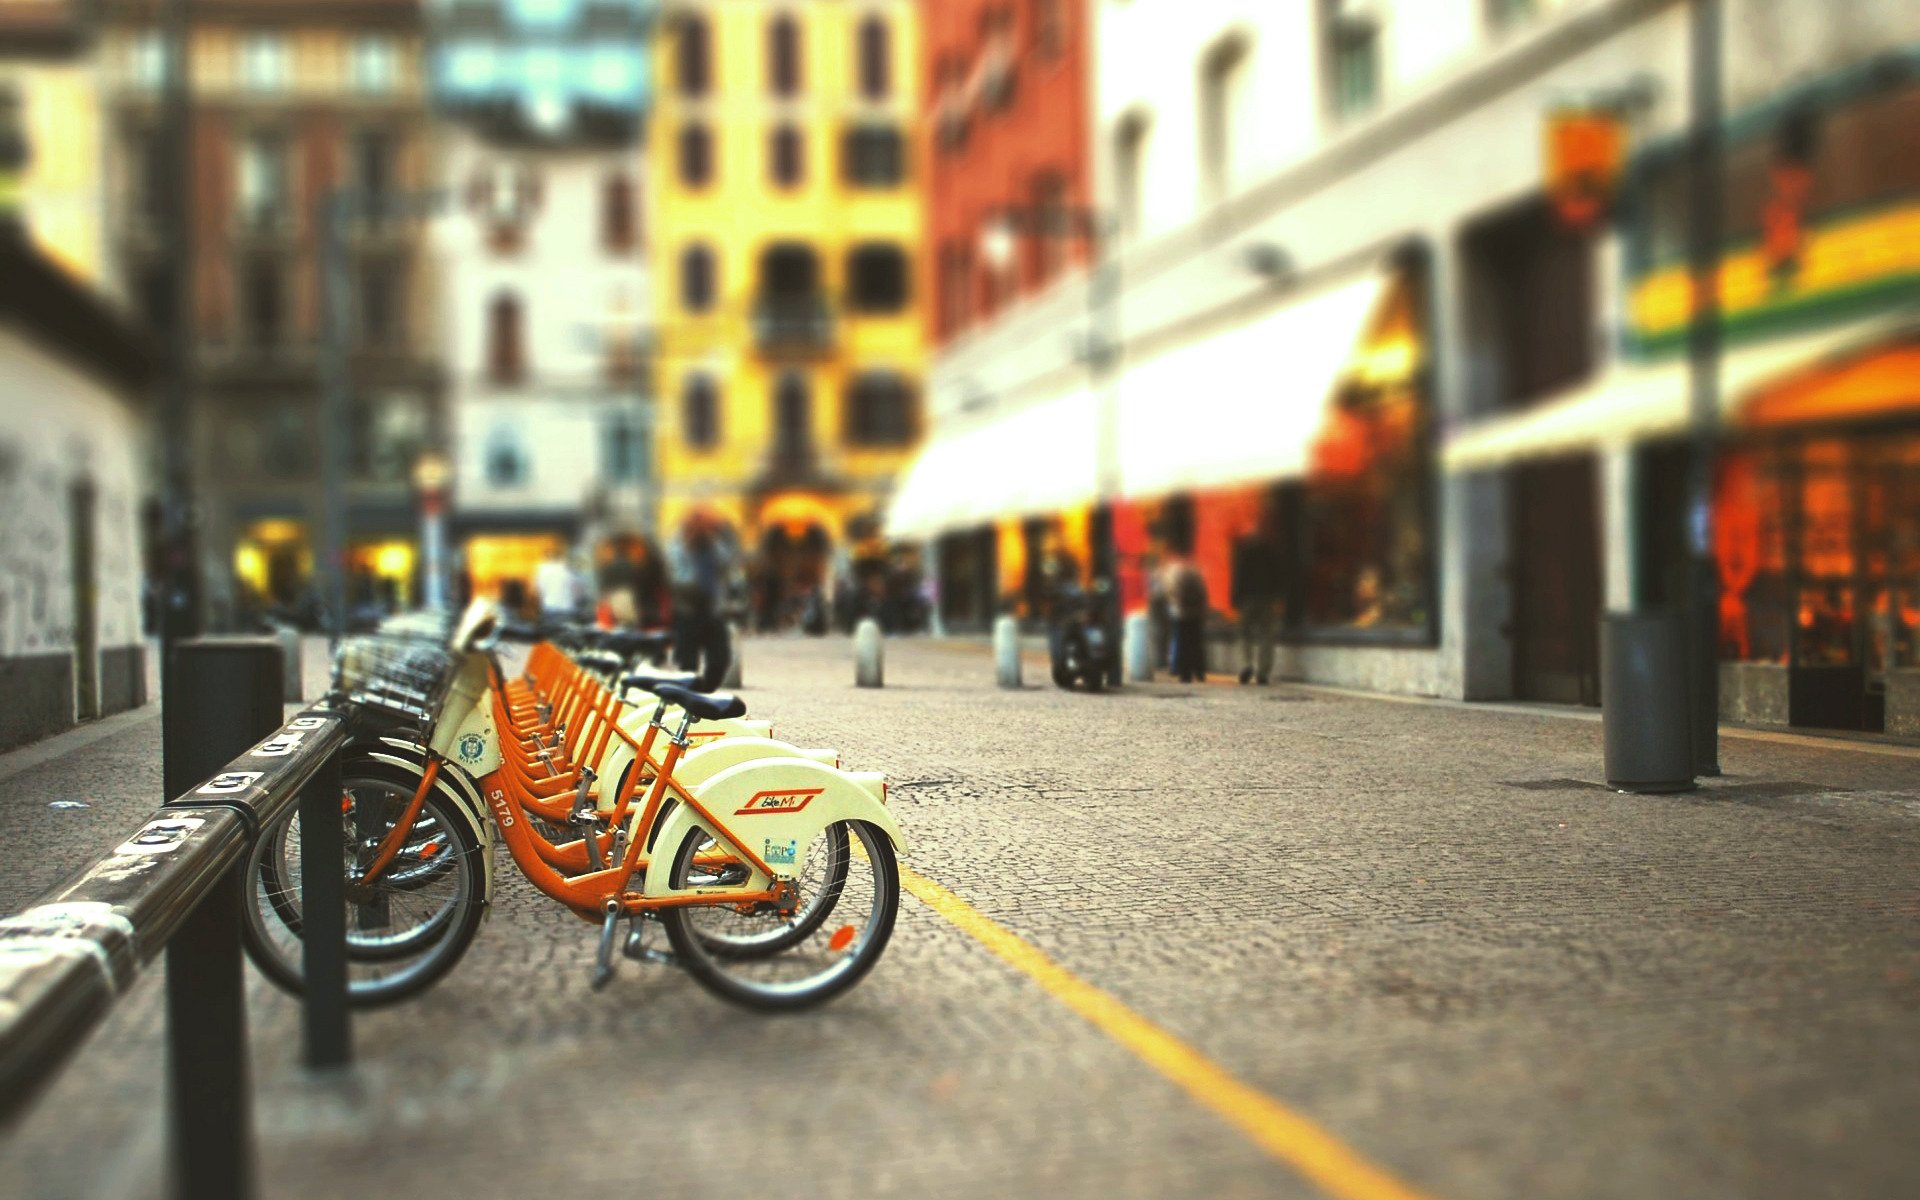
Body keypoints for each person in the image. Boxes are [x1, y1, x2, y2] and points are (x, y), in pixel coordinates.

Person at [666, 509, 738, 690]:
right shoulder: (677, 547)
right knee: (687, 663)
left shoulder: (715, 546)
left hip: (712, 609)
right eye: (700, 524)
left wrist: (725, 533)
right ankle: (689, 698)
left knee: (720, 659)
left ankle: (704, 692)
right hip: (687, 610)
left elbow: (729, 563)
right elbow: (673, 576)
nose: (704, 528)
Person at [1231, 506, 1284, 685]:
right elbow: (1279, 573)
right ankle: (1263, 671)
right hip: (1267, 598)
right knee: (1266, 636)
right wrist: (1278, 595)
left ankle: (1246, 664)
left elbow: (1239, 574)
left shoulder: (1243, 548)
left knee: (1243, 634)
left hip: (1247, 598)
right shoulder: (1272, 547)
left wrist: (1235, 597)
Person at [1163, 554, 1209, 684]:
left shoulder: (1173, 572)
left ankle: (1185, 674)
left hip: (1180, 612)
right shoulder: (1195, 572)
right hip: (1196, 613)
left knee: (1182, 642)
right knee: (1196, 642)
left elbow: (1170, 592)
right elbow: (1203, 593)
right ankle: (1199, 671)